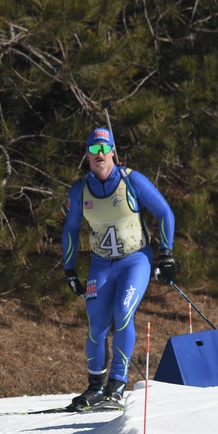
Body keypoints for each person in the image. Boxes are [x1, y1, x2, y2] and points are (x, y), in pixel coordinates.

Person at [61, 127, 176, 410]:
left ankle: (117, 385)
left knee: (123, 313)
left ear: (113, 151)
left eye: (104, 149)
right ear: (87, 154)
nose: (99, 155)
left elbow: (164, 212)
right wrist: (70, 268)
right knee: (97, 323)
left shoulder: (131, 180)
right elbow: (71, 228)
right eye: (93, 150)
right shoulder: (80, 190)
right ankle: (95, 387)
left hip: (135, 260)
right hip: (102, 264)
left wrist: (166, 255)